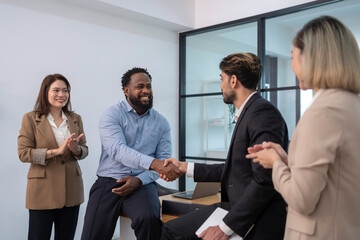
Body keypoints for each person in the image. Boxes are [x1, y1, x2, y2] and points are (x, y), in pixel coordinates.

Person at [246, 16, 360, 240]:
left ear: (312, 58)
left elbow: (301, 199)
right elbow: (335, 177)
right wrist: (287, 159)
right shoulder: (351, 106)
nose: (291, 65)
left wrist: (275, 163)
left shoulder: (322, 112)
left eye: (292, 57)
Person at [160, 53, 289, 240]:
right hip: (238, 207)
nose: (221, 85)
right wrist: (184, 167)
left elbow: (264, 180)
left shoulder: (262, 113)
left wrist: (225, 228)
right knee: (172, 229)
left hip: (259, 217)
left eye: (222, 79)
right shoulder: (251, 112)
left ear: (234, 80)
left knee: (172, 232)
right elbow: (236, 169)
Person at [81, 67, 180, 240]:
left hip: (142, 183)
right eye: (140, 86)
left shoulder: (162, 122)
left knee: (149, 221)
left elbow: (164, 160)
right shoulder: (111, 114)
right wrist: (155, 164)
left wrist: (141, 180)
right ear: (126, 90)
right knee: (92, 234)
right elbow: (118, 151)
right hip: (108, 181)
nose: (146, 91)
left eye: (149, 86)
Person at [18, 74, 88, 240]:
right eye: (56, 90)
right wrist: (56, 152)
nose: (61, 94)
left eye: (65, 90)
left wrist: (76, 149)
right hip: (42, 190)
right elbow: (23, 153)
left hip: (71, 190)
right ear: (45, 92)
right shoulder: (30, 118)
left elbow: (85, 150)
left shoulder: (75, 119)